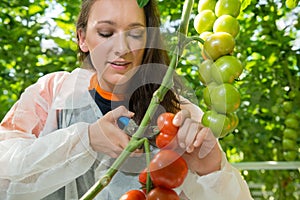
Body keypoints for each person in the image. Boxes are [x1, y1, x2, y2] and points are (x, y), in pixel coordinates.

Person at [0, 0, 253, 199]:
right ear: (82, 38)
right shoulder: (53, 93)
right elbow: (4, 170)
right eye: (106, 32)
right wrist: (83, 140)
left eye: (135, 34)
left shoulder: (180, 117)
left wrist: (211, 170)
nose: (121, 48)